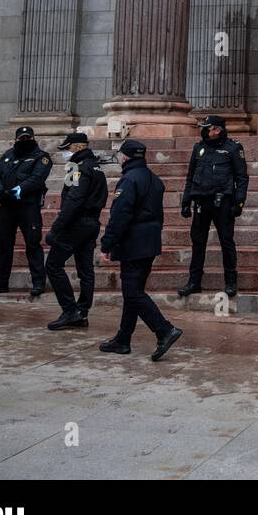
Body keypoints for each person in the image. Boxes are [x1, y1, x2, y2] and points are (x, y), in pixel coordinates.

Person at [98, 139, 182, 361]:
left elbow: (120, 216)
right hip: (149, 243)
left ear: (125, 157)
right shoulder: (154, 179)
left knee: (133, 293)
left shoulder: (129, 180)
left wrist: (107, 243)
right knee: (132, 293)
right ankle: (123, 339)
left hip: (133, 243)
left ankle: (164, 330)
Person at [177, 115, 248, 298]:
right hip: (201, 200)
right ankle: (194, 281)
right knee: (198, 242)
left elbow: (241, 178)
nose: (204, 131)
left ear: (217, 129)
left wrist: (239, 202)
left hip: (222, 201)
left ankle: (231, 282)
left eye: (207, 128)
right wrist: (186, 202)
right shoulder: (199, 148)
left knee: (226, 241)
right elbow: (190, 176)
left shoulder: (232, 148)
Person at [44, 132, 107, 331]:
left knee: (53, 265)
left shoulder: (77, 168)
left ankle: (70, 311)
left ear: (77, 147)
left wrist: (56, 228)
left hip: (76, 224)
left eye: (68, 148)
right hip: (92, 222)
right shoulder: (97, 167)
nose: (66, 153)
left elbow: (73, 200)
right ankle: (82, 312)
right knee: (86, 270)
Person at [0, 126, 52, 298]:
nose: (25, 141)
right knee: (4, 245)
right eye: (22, 138)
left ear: (33, 138)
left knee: (33, 244)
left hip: (28, 206)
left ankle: (38, 283)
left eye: (28, 138)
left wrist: (14, 192)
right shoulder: (8, 155)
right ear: (16, 139)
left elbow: (36, 180)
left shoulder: (42, 157)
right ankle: (0, 282)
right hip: (7, 207)